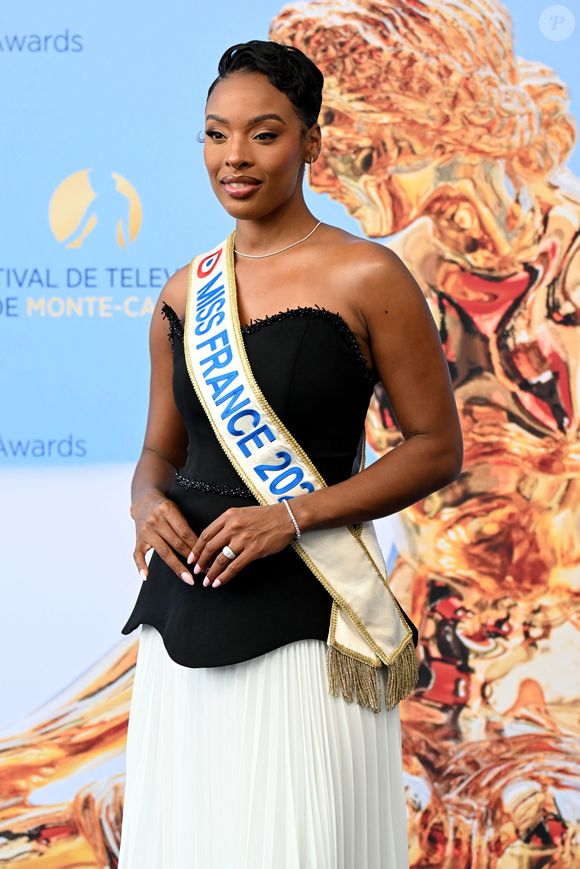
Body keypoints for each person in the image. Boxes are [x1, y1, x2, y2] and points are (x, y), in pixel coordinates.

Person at [118, 39, 463, 869]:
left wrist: (291, 516)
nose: (234, 156)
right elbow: (159, 449)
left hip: (307, 617)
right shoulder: (185, 290)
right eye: (216, 134)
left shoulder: (366, 275)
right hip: (182, 617)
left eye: (264, 134)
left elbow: (435, 447)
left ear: (312, 142)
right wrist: (144, 501)